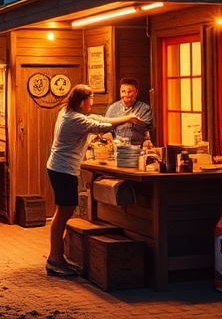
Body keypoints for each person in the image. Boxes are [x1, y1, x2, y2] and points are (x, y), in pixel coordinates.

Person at [45, 84, 143, 277]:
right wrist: (128, 118)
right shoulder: (74, 119)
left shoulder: (67, 112)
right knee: (63, 213)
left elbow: (99, 119)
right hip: (63, 169)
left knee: (63, 212)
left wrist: (126, 117)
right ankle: (55, 259)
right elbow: (101, 126)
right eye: (90, 99)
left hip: (59, 168)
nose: (92, 103)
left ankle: (57, 257)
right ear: (82, 101)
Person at [104, 78, 153, 145]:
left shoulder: (144, 108)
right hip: (118, 146)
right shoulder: (113, 108)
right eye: (123, 91)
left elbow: (147, 127)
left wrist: (137, 121)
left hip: (138, 146)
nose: (126, 94)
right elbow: (106, 125)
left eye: (129, 92)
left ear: (136, 92)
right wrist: (128, 118)